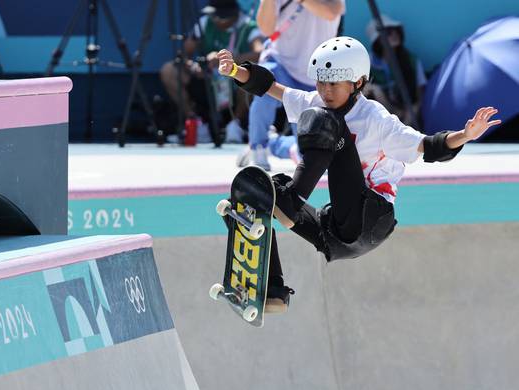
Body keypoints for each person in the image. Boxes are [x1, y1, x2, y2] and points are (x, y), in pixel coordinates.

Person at [217, 37, 500, 312]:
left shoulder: (376, 119)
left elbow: (427, 146)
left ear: (358, 83)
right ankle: (272, 289)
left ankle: (292, 200)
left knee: (326, 122)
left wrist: (465, 135)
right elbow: (272, 88)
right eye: (320, 82)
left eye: (333, 85)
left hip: (371, 216)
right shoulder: (317, 100)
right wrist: (234, 71)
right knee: (264, 189)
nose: (325, 91)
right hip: (336, 234)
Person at [238, 0, 345, 170]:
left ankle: (276, 144)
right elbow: (266, 29)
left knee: (311, 152)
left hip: (316, 78)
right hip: (280, 64)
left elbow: (332, 12)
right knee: (263, 85)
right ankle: (257, 146)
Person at [159, 0, 264, 143]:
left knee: (253, 74)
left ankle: (235, 125)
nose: (217, 20)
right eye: (215, 16)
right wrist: (194, 66)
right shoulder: (204, 23)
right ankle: (196, 124)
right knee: (169, 70)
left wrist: (228, 60)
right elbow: (184, 53)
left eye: (221, 17)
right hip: (207, 81)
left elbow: (260, 53)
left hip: (234, 83)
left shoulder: (248, 27)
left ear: (233, 14)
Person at [364, 15, 427, 127]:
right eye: (388, 32)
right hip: (379, 121)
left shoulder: (411, 60)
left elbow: (420, 95)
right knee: (373, 89)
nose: (394, 34)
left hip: (408, 118)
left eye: (395, 30)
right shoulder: (367, 63)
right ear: (377, 40)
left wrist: (407, 121)